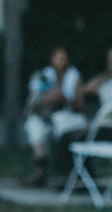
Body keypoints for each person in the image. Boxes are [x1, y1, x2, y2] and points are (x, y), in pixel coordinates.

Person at [57, 47, 112, 184]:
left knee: (70, 138)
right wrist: (97, 81)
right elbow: (86, 93)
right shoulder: (109, 82)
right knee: (68, 136)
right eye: (110, 60)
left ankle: (82, 181)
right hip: (108, 126)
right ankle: (85, 180)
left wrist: (95, 125)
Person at [20, 44, 86, 187]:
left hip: (66, 117)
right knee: (35, 129)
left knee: (61, 127)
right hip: (45, 116)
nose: (60, 61)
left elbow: (80, 105)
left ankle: (69, 175)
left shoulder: (74, 76)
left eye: (63, 58)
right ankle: (40, 173)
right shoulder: (44, 75)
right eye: (57, 57)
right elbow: (35, 100)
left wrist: (64, 98)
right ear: (52, 59)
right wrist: (49, 99)